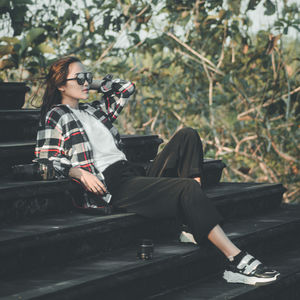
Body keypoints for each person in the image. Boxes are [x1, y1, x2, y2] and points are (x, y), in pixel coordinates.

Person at [35, 56, 280, 286]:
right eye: (79, 78)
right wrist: (79, 173)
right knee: (187, 187)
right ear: (60, 85)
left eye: (86, 76)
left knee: (187, 135)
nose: (85, 82)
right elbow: (47, 160)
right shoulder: (55, 115)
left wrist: (92, 83)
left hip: (132, 174)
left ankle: (189, 222)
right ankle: (236, 261)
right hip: (113, 184)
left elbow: (125, 88)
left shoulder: (92, 110)